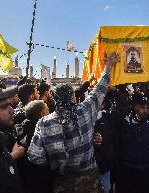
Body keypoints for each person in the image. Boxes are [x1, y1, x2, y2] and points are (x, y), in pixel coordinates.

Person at [27, 52, 120, 193]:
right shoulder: (86, 110)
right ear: (73, 97)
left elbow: (35, 157)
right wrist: (108, 66)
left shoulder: (44, 123)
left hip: (62, 183)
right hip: (90, 183)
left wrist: (54, 162)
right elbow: (100, 88)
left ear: (56, 100)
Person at [15, 100, 54, 193]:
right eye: (48, 110)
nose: (51, 113)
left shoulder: (20, 129)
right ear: (42, 114)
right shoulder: (42, 134)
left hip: (25, 181)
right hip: (41, 182)